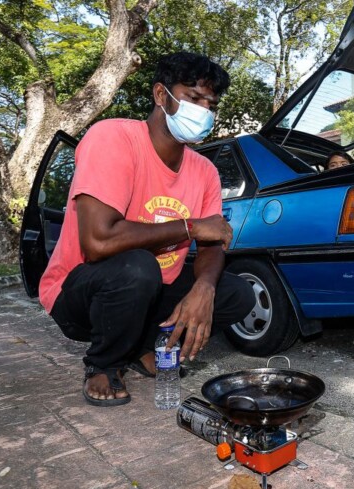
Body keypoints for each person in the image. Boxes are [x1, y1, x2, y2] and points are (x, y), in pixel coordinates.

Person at [39, 52, 256, 407]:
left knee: (236, 292)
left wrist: (204, 287)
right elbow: (97, 241)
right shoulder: (113, 137)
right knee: (139, 266)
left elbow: (213, 241)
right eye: (193, 97)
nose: (204, 110)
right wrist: (190, 226)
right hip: (83, 293)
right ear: (160, 95)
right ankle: (104, 363)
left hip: (151, 292)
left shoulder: (204, 171)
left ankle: (144, 349)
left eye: (211, 103)